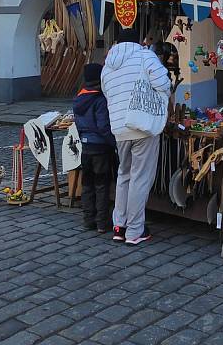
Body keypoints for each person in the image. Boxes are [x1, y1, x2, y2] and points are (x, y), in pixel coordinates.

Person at [101, 28, 171, 244]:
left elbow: (106, 93)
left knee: (124, 175)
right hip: (142, 125)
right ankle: (134, 231)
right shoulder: (145, 55)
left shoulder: (108, 65)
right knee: (140, 177)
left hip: (119, 128)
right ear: (138, 41)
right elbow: (163, 83)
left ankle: (119, 226)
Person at [72, 63, 117, 233]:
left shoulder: (79, 99)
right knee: (101, 185)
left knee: (87, 185)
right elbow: (103, 126)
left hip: (86, 147)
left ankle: (88, 220)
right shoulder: (99, 100)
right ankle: (101, 223)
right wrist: (113, 142)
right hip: (100, 148)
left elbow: (78, 124)